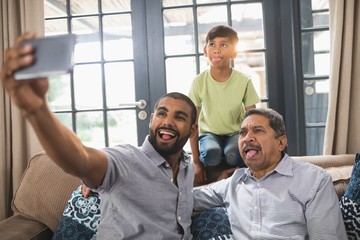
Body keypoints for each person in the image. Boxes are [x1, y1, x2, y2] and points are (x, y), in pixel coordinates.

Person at [1, 32, 198, 239]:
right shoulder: (126, 161)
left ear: (192, 130)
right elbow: (81, 160)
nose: (167, 121)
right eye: (162, 113)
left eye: (179, 117)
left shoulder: (187, 167)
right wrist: (37, 110)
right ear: (151, 120)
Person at [193, 108, 348, 239]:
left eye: (258, 130)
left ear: (281, 142)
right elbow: (185, 198)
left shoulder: (314, 180)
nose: (247, 138)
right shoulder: (233, 183)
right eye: (242, 133)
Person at [189, 25, 260, 186]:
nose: (217, 50)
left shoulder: (244, 81)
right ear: (205, 51)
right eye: (212, 44)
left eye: (224, 45)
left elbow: (253, 119)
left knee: (233, 154)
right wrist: (196, 162)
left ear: (234, 53)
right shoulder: (199, 82)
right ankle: (218, 179)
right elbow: (191, 123)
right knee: (211, 154)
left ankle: (234, 181)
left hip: (236, 133)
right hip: (209, 134)